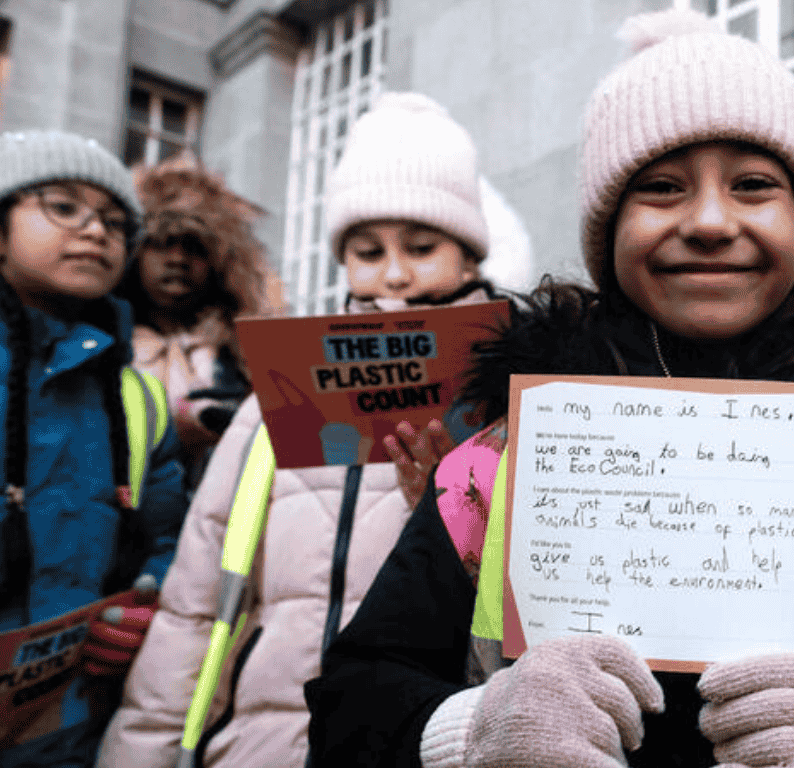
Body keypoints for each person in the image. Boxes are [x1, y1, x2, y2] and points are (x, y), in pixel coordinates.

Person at [304, 11, 794, 768]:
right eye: (660, 188)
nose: (712, 221)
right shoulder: (501, 463)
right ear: (608, 231)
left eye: (754, 185)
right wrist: (471, 730)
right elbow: (349, 709)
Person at [96, 92, 502, 768]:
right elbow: (193, 611)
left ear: (468, 260)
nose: (393, 274)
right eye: (367, 251)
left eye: (423, 248)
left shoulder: (508, 405)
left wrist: (447, 504)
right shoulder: (272, 401)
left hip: (419, 745)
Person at [0, 130, 186, 766]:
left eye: (112, 221)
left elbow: (169, 543)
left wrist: (143, 616)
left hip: (72, 734)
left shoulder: (141, 400)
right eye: (63, 206)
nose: (95, 231)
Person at [114, 153, 279, 486]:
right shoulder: (100, 346)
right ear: (133, 251)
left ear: (221, 260)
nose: (178, 259)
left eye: (195, 246)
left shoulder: (249, 361)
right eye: (161, 243)